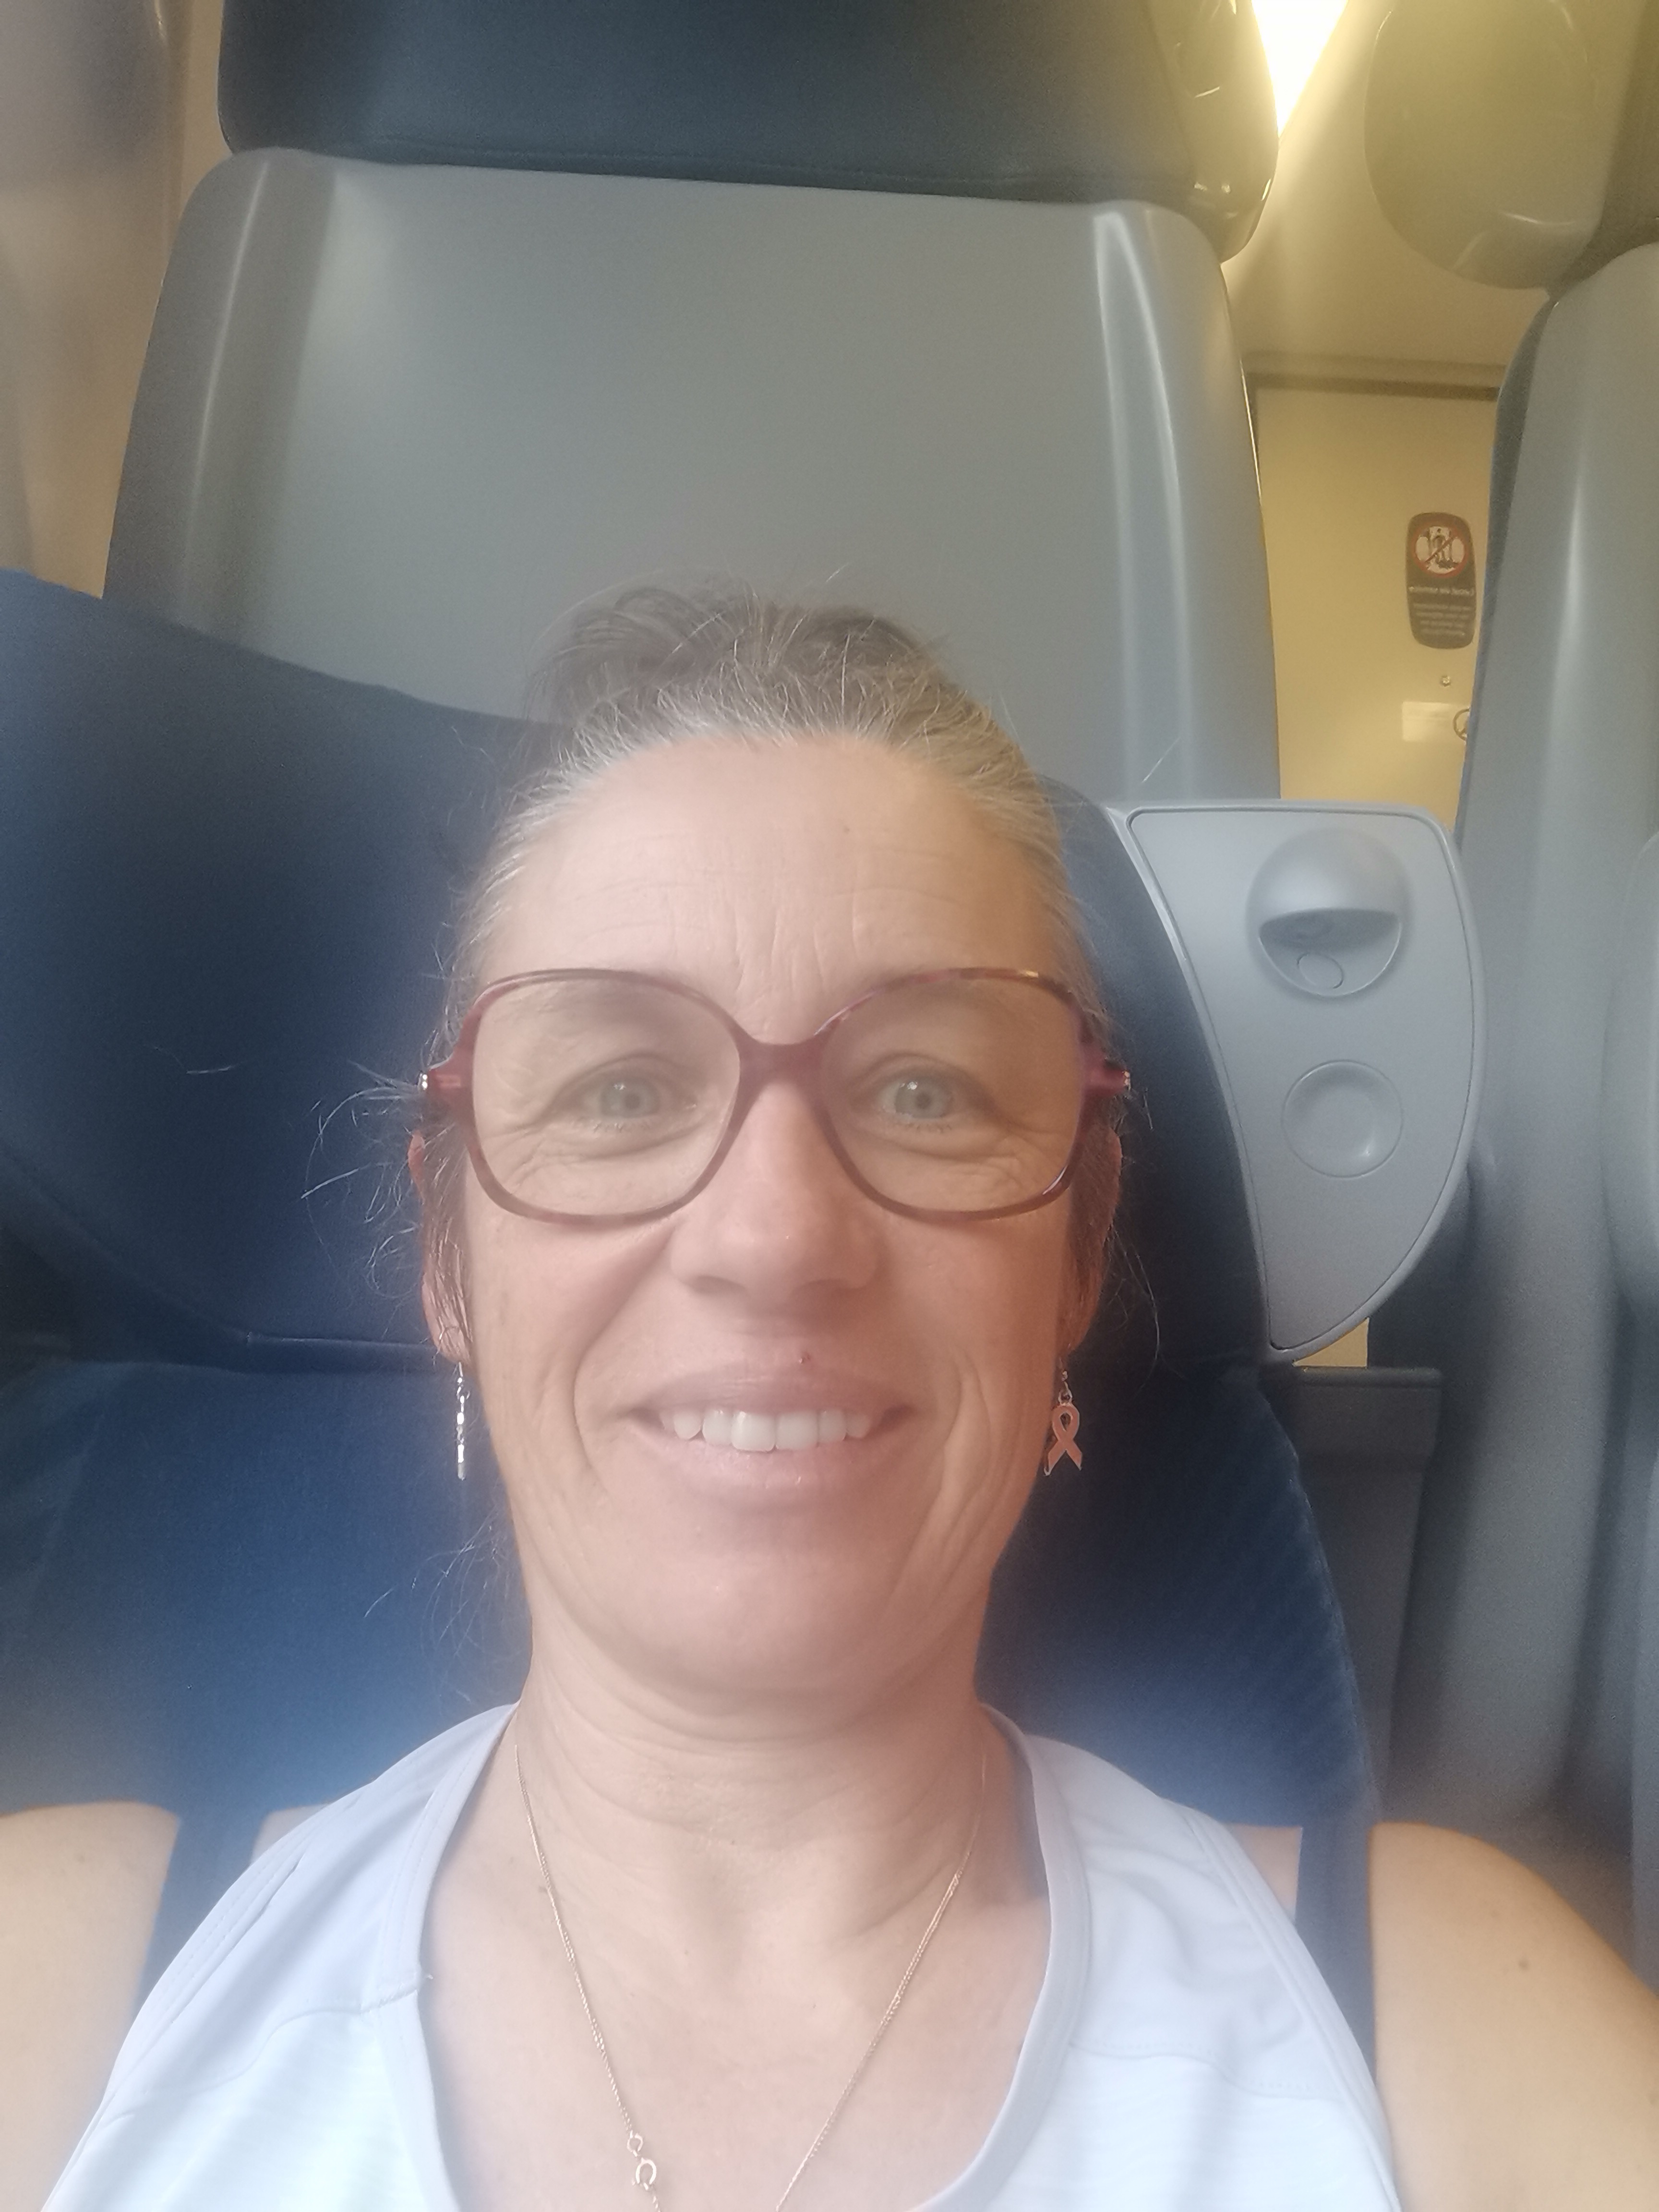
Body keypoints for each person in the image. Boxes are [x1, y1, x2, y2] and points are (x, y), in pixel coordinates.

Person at [21, 589, 1659, 2211]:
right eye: (620, 1090)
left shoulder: (1456, 2035)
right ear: (452, 1265)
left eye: (925, 1091)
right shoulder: (57, 1983)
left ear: (1076, 1264)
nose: (776, 1238)